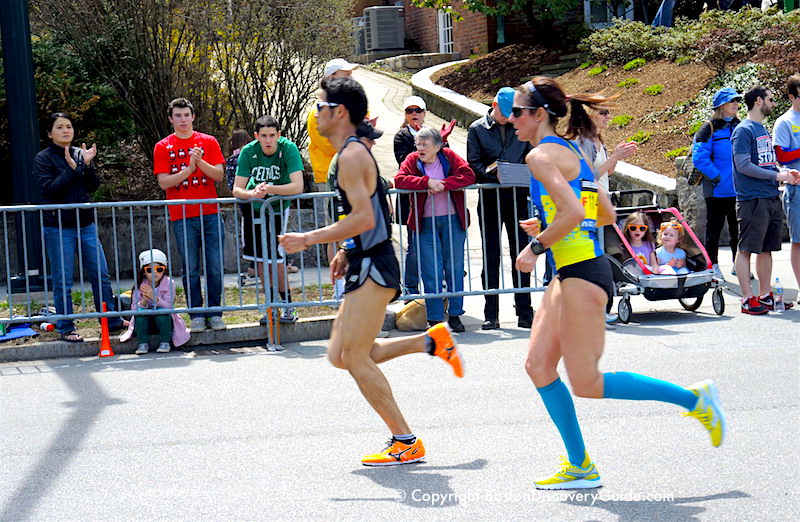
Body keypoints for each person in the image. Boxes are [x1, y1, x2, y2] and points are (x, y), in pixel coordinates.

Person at [510, 77, 726, 490]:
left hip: (583, 276)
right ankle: (580, 466)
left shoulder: (540, 155)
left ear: (539, 115)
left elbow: (575, 211)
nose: (512, 119)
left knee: (587, 383)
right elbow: (603, 214)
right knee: (538, 365)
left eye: (518, 112)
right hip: (572, 273)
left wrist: (535, 246)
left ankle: (695, 400)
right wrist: (551, 223)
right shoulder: (573, 151)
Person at [279, 77, 464, 466]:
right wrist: (346, 249)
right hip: (364, 260)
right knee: (340, 355)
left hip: (375, 265)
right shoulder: (347, 154)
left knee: (355, 357)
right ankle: (431, 342)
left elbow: (363, 217)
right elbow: (368, 214)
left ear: (339, 112)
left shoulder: (350, 156)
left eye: (320, 106)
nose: (316, 113)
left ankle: (405, 440)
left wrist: (309, 238)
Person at [34, 112, 126, 342]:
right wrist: (74, 169)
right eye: (60, 127)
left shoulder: (78, 152)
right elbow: (50, 189)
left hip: (85, 224)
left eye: (69, 126)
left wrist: (87, 166)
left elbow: (92, 185)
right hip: (58, 226)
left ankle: (111, 320)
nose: (66, 130)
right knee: (63, 279)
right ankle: (66, 327)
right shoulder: (43, 158)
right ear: (49, 133)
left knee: (100, 273)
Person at [153, 98, 227, 333]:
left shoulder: (208, 141)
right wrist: (188, 169)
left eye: (186, 115)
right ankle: (196, 313)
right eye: (178, 116)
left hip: (211, 213)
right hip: (182, 216)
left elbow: (218, 175)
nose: (183, 120)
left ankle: (215, 312)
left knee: (215, 266)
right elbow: (164, 182)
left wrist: (199, 162)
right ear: (170, 119)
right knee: (190, 267)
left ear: (193, 117)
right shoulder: (163, 146)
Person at [395, 127, 475, 332]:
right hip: (425, 223)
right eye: (418, 144)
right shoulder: (412, 160)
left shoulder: (448, 156)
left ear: (437, 146)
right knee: (431, 270)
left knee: (455, 268)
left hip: (452, 220)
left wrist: (445, 184)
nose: (420, 148)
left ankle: (456, 314)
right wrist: (425, 182)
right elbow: (400, 179)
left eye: (424, 144)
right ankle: (435, 318)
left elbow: (468, 175)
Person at [467, 87, 534, 330]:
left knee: (521, 252)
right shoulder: (477, 129)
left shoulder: (521, 127)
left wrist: (523, 172)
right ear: (493, 105)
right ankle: (491, 312)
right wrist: (490, 173)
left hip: (517, 196)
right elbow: (473, 163)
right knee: (491, 254)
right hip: (490, 197)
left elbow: (531, 155)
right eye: (505, 113)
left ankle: (525, 311)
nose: (508, 118)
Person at [731, 85, 799, 314]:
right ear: (758, 101)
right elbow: (743, 165)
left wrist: (785, 174)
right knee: (746, 249)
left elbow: (765, 163)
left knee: (766, 249)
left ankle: (765, 294)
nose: (773, 103)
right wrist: (776, 175)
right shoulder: (743, 130)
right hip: (752, 199)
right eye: (770, 99)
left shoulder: (761, 129)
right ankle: (747, 298)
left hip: (770, 196)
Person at [232, 116, 304, 325]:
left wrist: (270, 189)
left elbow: (297, 186)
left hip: (278, 210)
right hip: (254, 209)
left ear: (279, 135)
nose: (268, 140)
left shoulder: (288, 149)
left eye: (272, 135)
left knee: (277, 259)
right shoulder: (248, 151)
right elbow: (237, 188)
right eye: (263, 136)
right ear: (256, 136)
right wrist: (252, 193)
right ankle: (271, 306)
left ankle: (288, 305)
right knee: (261, 260)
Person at [692, 87, 741, 279]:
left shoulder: (739, 125)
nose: (736, 104)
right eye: (732, 101)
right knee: (714, 229)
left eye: (737, 100)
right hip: (717, 190)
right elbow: (699, 158)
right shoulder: (708, 128)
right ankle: (712, 266)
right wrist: (718, 177)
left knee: (738, 229)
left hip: (738, 188)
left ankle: (739, 264)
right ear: (721, 105)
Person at [119, 249, 190, 354]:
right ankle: (142, 343)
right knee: (141, 314)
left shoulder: (169, 283)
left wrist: (155, 298)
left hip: (164, 322)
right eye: (149, 270)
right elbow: (134, 309)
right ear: (143, 272)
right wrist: (144, 300)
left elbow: (169, 306)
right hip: (146, 323)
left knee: (162, 312)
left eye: (159, 269)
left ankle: (165, 342)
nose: (154, 272)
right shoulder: (139, 285)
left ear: (164, 270)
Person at [394, 96, 428, 297]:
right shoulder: (402, 136)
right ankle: (411, 288)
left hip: (434, 198)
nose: (414, 114)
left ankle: (437, 286)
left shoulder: (435, 134)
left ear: (424, 113)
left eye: (418, 110)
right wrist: (427, 147)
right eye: (409, 111)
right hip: (413, 198)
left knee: (436, 244)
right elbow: (405, 163)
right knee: (414, 246)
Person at [773, 73, 800, 290]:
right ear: (791, 97)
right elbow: (781, 155)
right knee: (799, 241)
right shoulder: (784, 122)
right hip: (797, 189)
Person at [226, 129, 258, 287]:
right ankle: (262, 265)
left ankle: (253, 265)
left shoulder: (231, 160)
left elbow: (231, 184)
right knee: (263, 231)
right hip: (257, 199)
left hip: (242, 199)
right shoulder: (252, 157)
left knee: (249, 233)